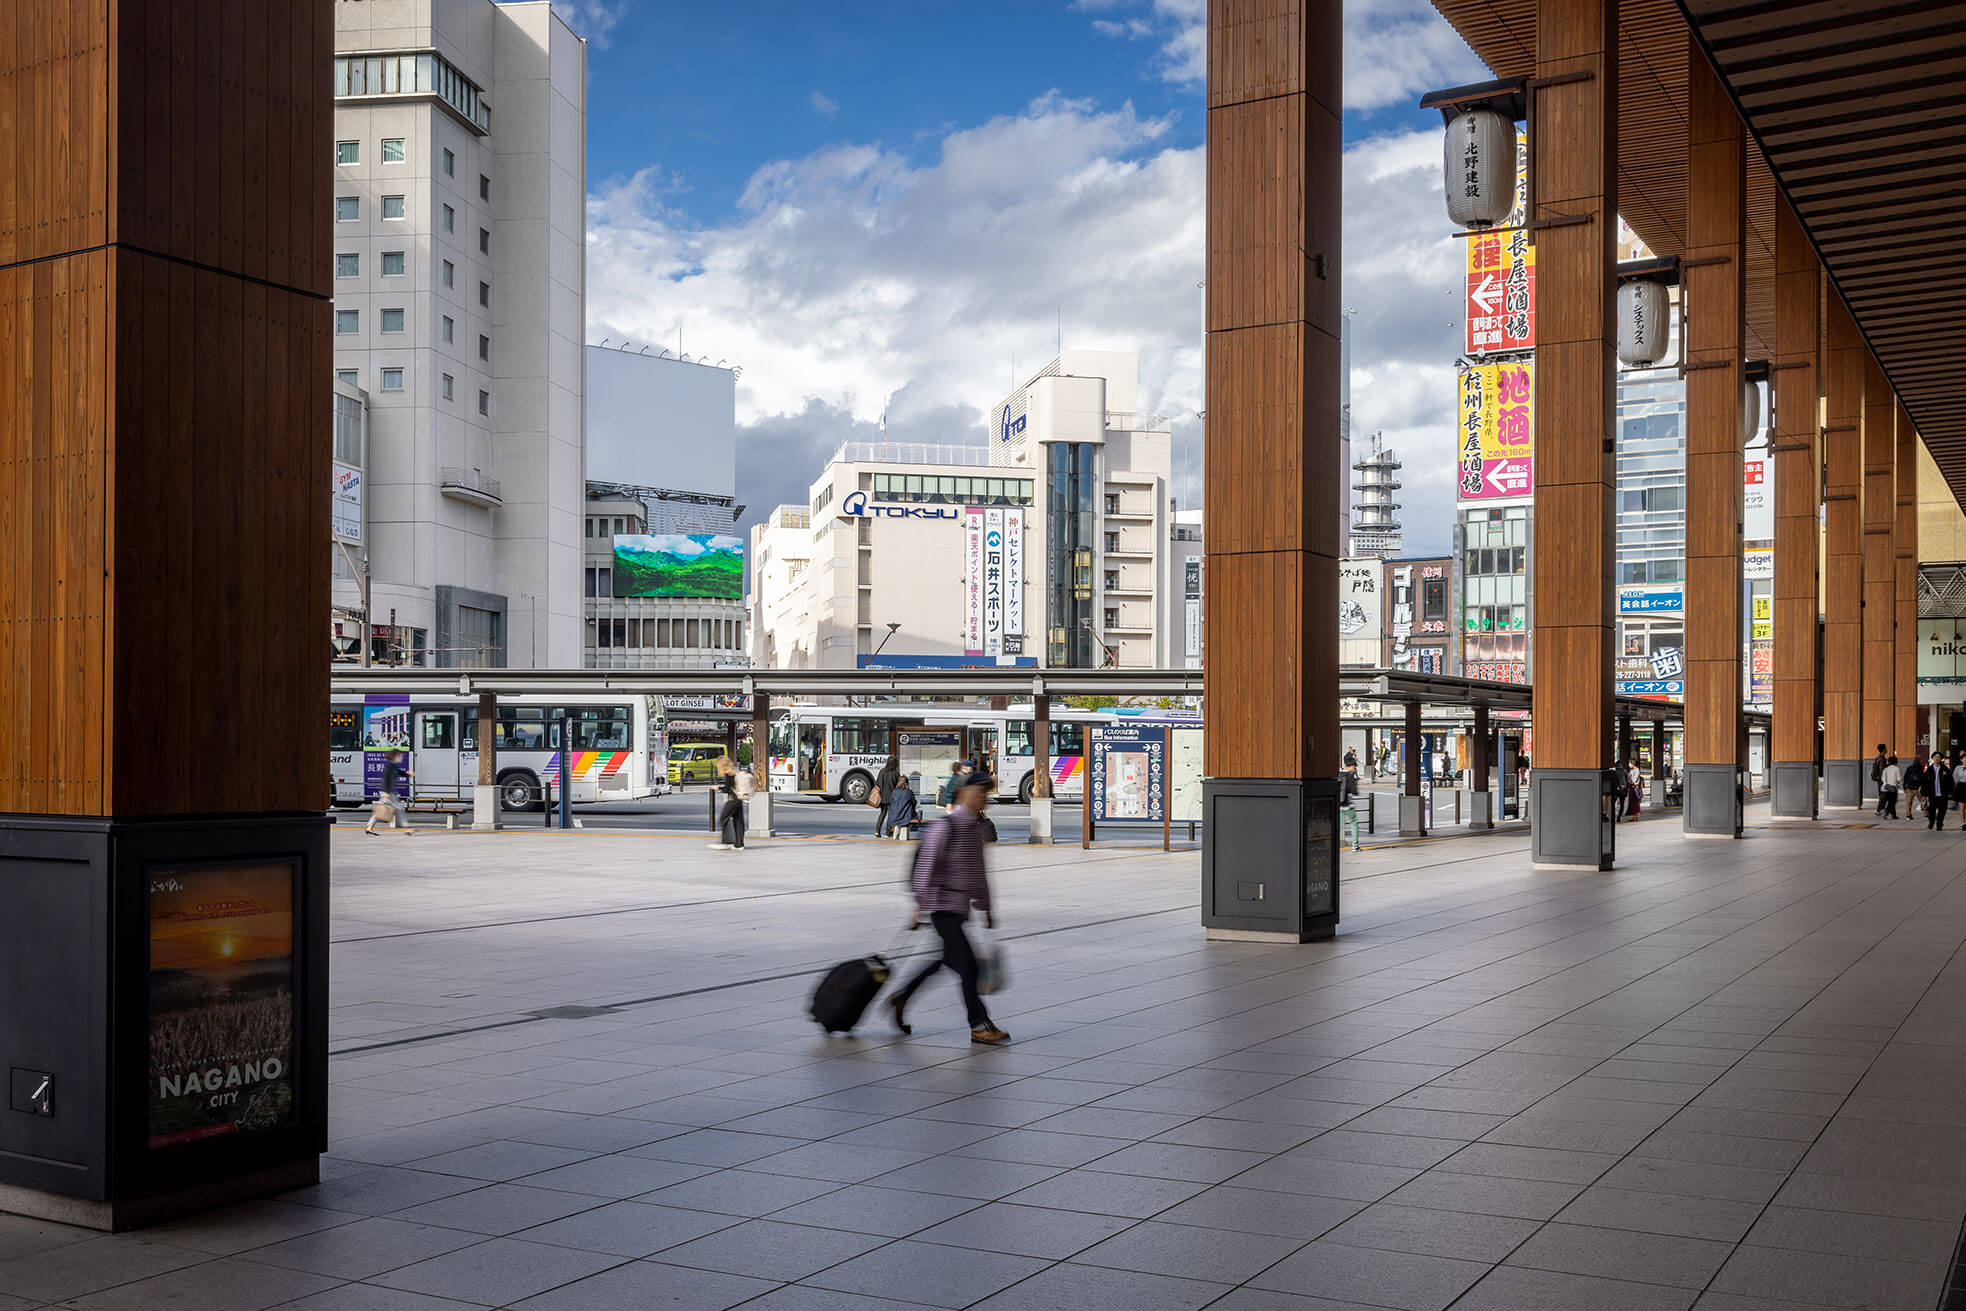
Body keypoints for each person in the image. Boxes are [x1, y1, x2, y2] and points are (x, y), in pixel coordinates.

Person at [887, 769, 1008, 1045]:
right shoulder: (945, 828)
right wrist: (920, 905)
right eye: (980, 793)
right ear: (965, 793)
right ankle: (979, 1026)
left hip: (959, 909)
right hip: (943, 910)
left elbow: (978, 873)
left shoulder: (974, 830)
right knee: (968, 968)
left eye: (986, 794)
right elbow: (926, 870)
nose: (984, 799)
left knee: (947, 961)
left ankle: (901, 997)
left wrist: (986, 907)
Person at [365, 750, 415, 835]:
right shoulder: (389, 766)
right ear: (394, 756)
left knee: (381, 809)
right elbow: (386, 779)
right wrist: (387, 792)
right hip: (388, 792)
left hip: (388, 792)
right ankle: (407, 828)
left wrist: (408, 773)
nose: (401, 757)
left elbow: (399, 772)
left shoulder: (392, 765)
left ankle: (369, 827)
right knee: (399, 809)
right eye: (399, 755)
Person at [710, 755, 746, 851]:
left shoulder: (728, 774)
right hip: (739, 798)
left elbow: (727, 789)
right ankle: (739, 844)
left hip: (733, 800)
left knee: (723, 819)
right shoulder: (734, 772)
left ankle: (726, 842)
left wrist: (718, 788)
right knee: (738, 821)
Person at [885, 774, 920, 840]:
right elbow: (914, 803)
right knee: (911, 814)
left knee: (898, 822)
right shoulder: (909, 792)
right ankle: (901, 834)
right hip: (906, 817)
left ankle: (895, 835)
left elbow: (891, 802)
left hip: (894, 816)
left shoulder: (894, 792)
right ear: (907, 783)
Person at [874, 756, 902, 837]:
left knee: (882, 814)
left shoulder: (882, 771)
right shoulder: (896, 773)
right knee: (890, 815)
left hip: (882, 796)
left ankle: (877, 831)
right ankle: (887, 832)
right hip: (892, 798)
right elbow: (898, 785)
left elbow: (877, 783)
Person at [1926, 751, 1953, 830]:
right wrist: (1924, 793)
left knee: (1942, 810)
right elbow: (1925, 782)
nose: (1937, 758)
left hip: (1943, 794)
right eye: (1935, 757)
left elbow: (1951, 781)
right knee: (1931, 810)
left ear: (1941, 759)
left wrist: (1950, 791)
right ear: (1933, 758)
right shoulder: (1929, 769)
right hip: (1932, 794)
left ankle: (1939, 824)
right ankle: (1931, 822)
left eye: (1938, 757)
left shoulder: (1945, 769)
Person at [1880, 754, 1903, 819]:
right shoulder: (1896, 769)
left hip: (1886, 787)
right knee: (1893, 801)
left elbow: (1883, 778)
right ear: (1896, 762)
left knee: (1890, 801)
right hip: (1893, 787)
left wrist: (1885, 784)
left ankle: (1893, 814)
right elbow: (1898, 779)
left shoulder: (1886, 769)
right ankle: (1886, 811)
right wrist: (1897, 783)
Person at [1904, 756, 1926, 821]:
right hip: (1917, 788)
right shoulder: (1920, 768)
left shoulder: (1909, 768)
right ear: (1919, 761)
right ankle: (1927, 813)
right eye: (1921, 760)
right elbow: (1921, 778)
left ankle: (1908, 815)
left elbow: (1905, 777)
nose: (1922, 761)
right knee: (1923, 801)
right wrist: (1922, 786)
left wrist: (1904, 787)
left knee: (1908, 803)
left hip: (1909, 787)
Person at [1872, 744, 1889, 815]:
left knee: (1883, 794)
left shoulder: (1879, 758)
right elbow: (1882, 770)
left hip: (1879, 779)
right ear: (1883, 749)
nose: (1887, 749)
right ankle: (1878, 810)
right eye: (1886, 748)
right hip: (1881, 779)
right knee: (1883, 794)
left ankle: (1881, 809)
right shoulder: (1882, 759)